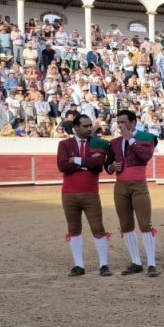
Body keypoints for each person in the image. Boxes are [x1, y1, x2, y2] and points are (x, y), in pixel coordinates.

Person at [105, 109, 160, 277]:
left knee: (145, 224)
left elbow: (145, 156)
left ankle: (151, 264)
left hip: (139, 185)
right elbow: (107, 165)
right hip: (120, 186)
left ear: (133, 122)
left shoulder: (147, 138)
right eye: (118, 122)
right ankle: (136, 262)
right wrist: (111, 167)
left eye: (124, 122)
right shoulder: (114, 143)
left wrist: (131, 139)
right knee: (126, 225)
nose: (120, 125)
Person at [57, 114, 112, 276]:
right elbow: (63, 166)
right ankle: (79, 265)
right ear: (75, 127)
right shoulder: (64, 144)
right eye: (85, 126)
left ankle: (104, 265)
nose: (89, 129)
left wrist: (76, 160)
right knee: (73, 229)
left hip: (90, 193)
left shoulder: (97, 143)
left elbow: (98, 164)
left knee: (98, 228)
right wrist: (86, 163)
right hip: (69, 194)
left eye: (90, 126)